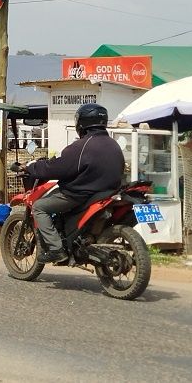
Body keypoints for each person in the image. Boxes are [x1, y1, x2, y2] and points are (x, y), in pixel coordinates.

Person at [24, 103, 125, 265]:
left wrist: (32, 167)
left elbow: (57, 168)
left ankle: (56, 250)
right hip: (107, 192)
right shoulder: (113, 144)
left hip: (80, 195)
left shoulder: (82, 145)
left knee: (39, 207)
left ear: (82, 122)